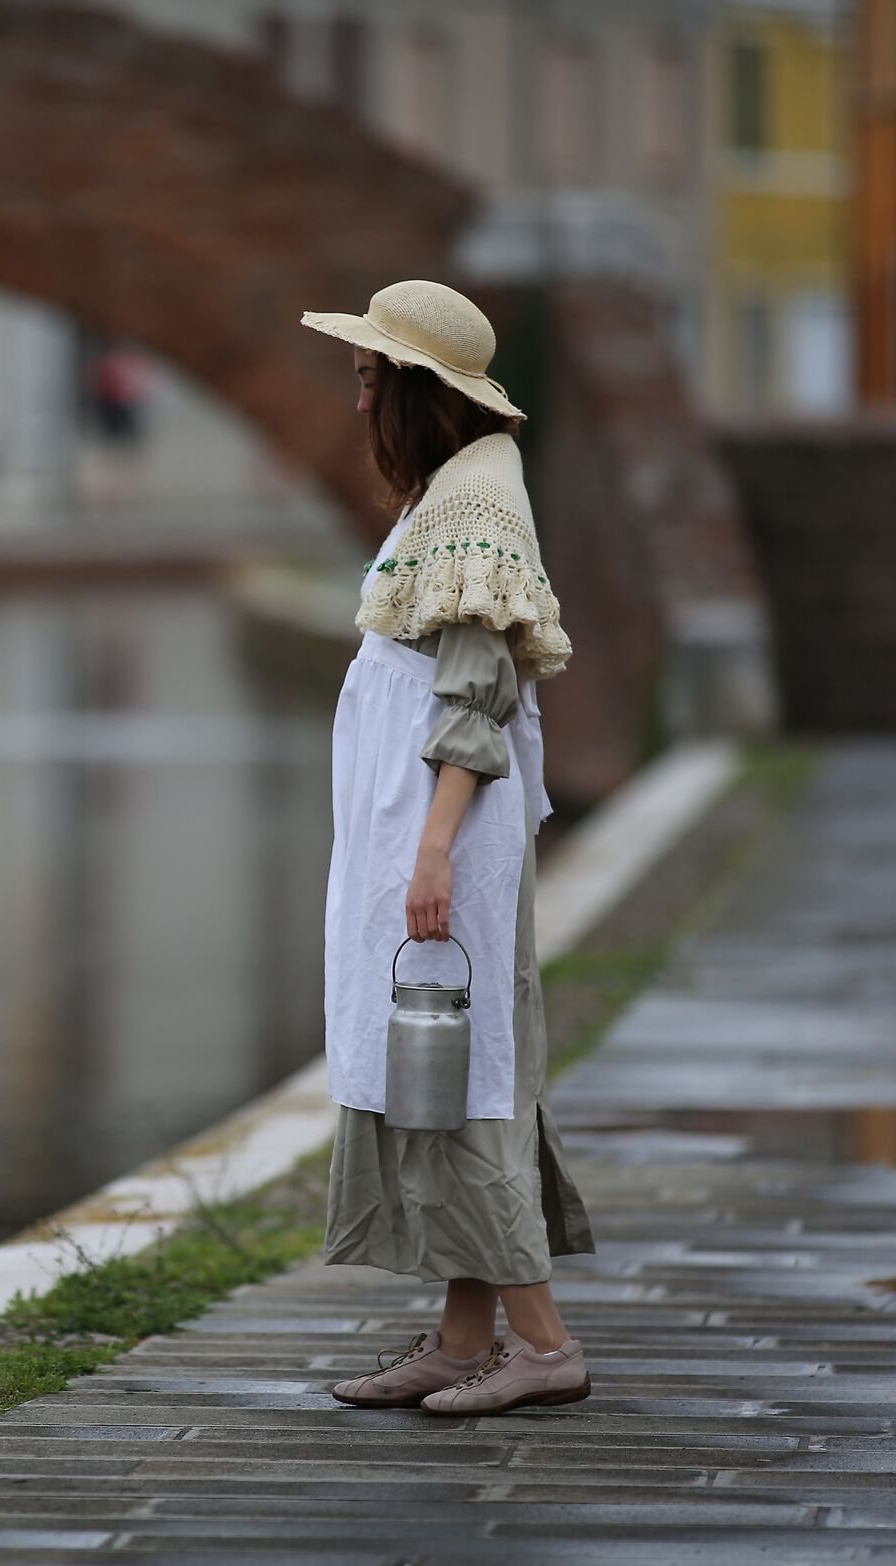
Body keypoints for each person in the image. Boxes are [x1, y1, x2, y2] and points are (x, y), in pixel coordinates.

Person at [298, 280, 597, 1417]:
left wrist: (431, 852)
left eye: (373, 376)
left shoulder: (476, 506)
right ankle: (463, 1334)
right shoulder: (457, 491)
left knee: (463, 1076)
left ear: (420, 393)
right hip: (418, 835)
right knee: (437, 1067)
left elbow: (472, 699)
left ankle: (542, 1343)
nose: (358, 393)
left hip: (443, 843)